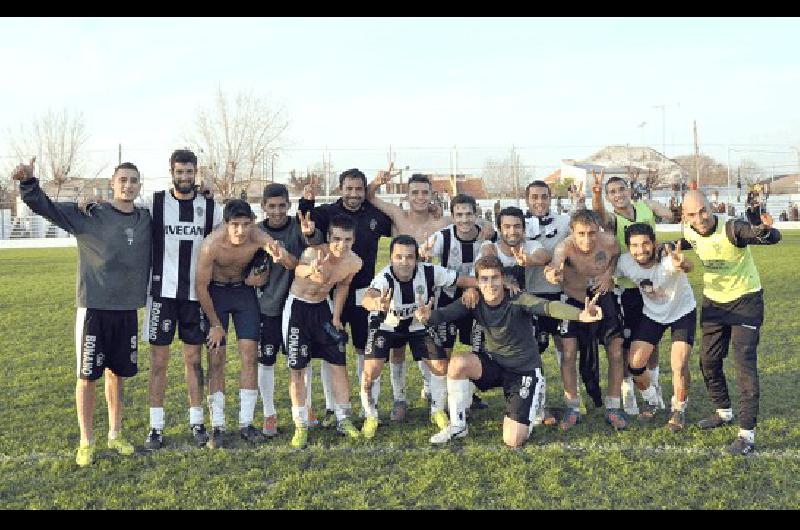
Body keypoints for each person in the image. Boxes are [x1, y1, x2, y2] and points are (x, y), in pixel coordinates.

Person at [14, 158, 152, 467]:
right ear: (112, 184)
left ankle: (115, 435)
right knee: (87, 376)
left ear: (139, 186)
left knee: (118, 375)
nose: (128, 185)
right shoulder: (90, 213)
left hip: (127, 309)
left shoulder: (145, 219)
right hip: (93, 308)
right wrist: (28, 184)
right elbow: (47, 207)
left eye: (133, 181)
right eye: (123, 180)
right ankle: (86, 441)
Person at [415, 256, 603, 447]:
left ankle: (532, 403)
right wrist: (426, 317)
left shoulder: (517, 299)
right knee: (458, 363)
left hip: (523, 371)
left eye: (495, 278)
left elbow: (547, 307)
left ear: (503, 279)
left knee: (513, 440)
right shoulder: (474, 298)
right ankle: (458, 426)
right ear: (477, 282)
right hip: (494, 363)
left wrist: (580, 314)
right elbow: (444, 314)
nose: (490, 284)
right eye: (484, 279)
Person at [367, 167, 494, 419]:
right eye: (415, 192)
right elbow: (371, 198)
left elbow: (482, 227)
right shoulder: (398, 216)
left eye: (425, 192)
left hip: (433, 295)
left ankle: (447, 391)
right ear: (407, 194)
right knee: (398, 348)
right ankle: (400, 398)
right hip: (399, 294)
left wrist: (484, 234)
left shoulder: (444, 221)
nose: (420, 197)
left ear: (431, 194)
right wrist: (377, 182)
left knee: (437, 349)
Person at [680, 190, 781, 455]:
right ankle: (724, 412)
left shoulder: (732, 228)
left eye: (703, 210)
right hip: (714, 303)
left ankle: (746, 435)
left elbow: (770, 237)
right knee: (708, 361)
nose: (699, 218)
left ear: (711, 207)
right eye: (692, 214)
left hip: (746, 301)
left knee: (743, 362)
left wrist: (762, 230)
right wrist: (666, 248)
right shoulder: (689, 230)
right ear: (685, 216)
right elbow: (687, 241)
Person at [139, 149, 223, 451]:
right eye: (180, 172)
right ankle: (156, 427)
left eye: (190, 172)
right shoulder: (155, 202)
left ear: (196, 172)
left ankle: (197, 421)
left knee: (193, 360)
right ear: (171, 171)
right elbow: (123, 206)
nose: (184, 178)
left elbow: (234, 228)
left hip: (195, 296)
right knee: (159, 362)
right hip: (162, 294)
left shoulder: (210, 206)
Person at [195, 200, 293, 448]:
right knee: (216, 357)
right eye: (235, 225)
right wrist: (215, 324)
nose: (241, 231)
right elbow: (200, 287)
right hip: (215, 295)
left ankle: (246, 423)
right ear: (226, 224)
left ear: (252, 222)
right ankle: (217, 426)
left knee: (250, 356)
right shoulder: (211, 245)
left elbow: (286, 260)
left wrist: (280, 256)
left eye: (246, 225)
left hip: (243, 294)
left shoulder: (258, 236)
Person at [298, 169, 392, 426]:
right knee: (331, 350)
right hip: (331, 293)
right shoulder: (328, 213)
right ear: (340, 189)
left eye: (359, 189)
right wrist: (306, 200)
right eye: (348, 189)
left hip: (365, 294)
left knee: (366, 349)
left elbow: (399, 224)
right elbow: (305, 221)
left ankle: (367, 404)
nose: (353, 194)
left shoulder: (374, 215)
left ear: (364, 190)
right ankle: (332, 406)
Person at [359, 235, 478, 439]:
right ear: (390, 259)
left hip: (417, 325)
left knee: (440, 365)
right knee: (371, 370)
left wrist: (473, 287)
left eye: (409, 257)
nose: (404, 262)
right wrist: (377, 303)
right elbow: (367, 297)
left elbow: (462, 279)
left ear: (417, 259)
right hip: (386, 325)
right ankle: (371, 415)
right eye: (399, 257)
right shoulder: (384, 277)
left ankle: (437, 410)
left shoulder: (430, 271)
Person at [592, 170, 674, 415]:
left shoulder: (644, 208)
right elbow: (599, 215)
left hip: (654, 283)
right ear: (608, 197)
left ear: (630, 190)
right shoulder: (613, 219)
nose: (618, 195)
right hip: (628, 288)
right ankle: (629, 391)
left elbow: (668, 213)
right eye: (612, 192)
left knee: (653, 340)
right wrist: (596, 195)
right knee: (628, 344)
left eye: (621, 189)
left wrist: (652, 202)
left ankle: (654, 384)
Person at [248, 183, 323, 437]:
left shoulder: (298, 227)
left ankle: (307, 407)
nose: (277, 211)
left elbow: (318, 244)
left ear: (289, 206)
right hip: (267, 307)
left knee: (303, 360)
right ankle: (269, 414)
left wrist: (311, 236)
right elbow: (243, 264)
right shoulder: (256, 232)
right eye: (272, 206)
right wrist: (252, 277)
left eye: (282, 206)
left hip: (299, 305)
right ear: (264, 207)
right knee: (266, 360)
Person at [283, 215, 363, 449]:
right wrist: (310, 270)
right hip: (298, 307)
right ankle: (300, 423)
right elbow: (297, 271)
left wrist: (336, 317)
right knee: (297, 367)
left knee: (338, 362)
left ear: (353, 239)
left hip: (323, 309)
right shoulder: (314, 253)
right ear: (328, 238)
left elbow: (343, 286)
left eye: (347, 239)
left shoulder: (354, 262)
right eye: (337, 239)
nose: (342, 244)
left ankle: (343, 418)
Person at [544, 209, 628, 430]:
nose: (587, 239)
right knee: (569, 352)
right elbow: (554, 266)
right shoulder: (565, 247)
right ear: (572, 232)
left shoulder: (609, 242)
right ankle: (572, 406)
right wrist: (553, 275)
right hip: (574, 300)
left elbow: (617, 255)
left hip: (603, 297)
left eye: (592, 233)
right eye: (581, 233)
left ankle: (613, 406)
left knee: (617, 351)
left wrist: (609, 273)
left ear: (598, 230)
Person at [614, 223, 696, 431]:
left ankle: (678, 409)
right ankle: (652, 399)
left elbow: (686, 266)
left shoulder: (668, 260)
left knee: (679, 363)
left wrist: (683, 264)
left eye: (645, 244)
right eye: (634, 245)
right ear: (628, 247)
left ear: (654, 243)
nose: (640, 250)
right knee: (635, 364)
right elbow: (605, 271)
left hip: (682, 312)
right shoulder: (624, 262)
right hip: (653, 315)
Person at [420, 194, 495, 415]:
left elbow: (491, 261)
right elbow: (422, 253)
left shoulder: (486, 238)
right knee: (444, 351)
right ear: (452, 216)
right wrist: (423, 254)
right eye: (459, 215)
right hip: (448, 300)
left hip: (477, 300)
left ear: (476, 214)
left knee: (479, 349)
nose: (464, 219)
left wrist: (474, 287)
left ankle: (468, 394)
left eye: (468, 214)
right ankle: (439, 397)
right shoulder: (443, 236)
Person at [522, 181, 574, 423]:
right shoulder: (517, 224)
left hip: (559, 293)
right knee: (533, 353)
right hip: (530, 296)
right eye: (534, 197)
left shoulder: (563, 221)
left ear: (551, 198)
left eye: (544, 197)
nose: (539, 201)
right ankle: (538, 403)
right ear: (527, 199)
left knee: (565, 350)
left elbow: (586, 231)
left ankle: (572, 401)